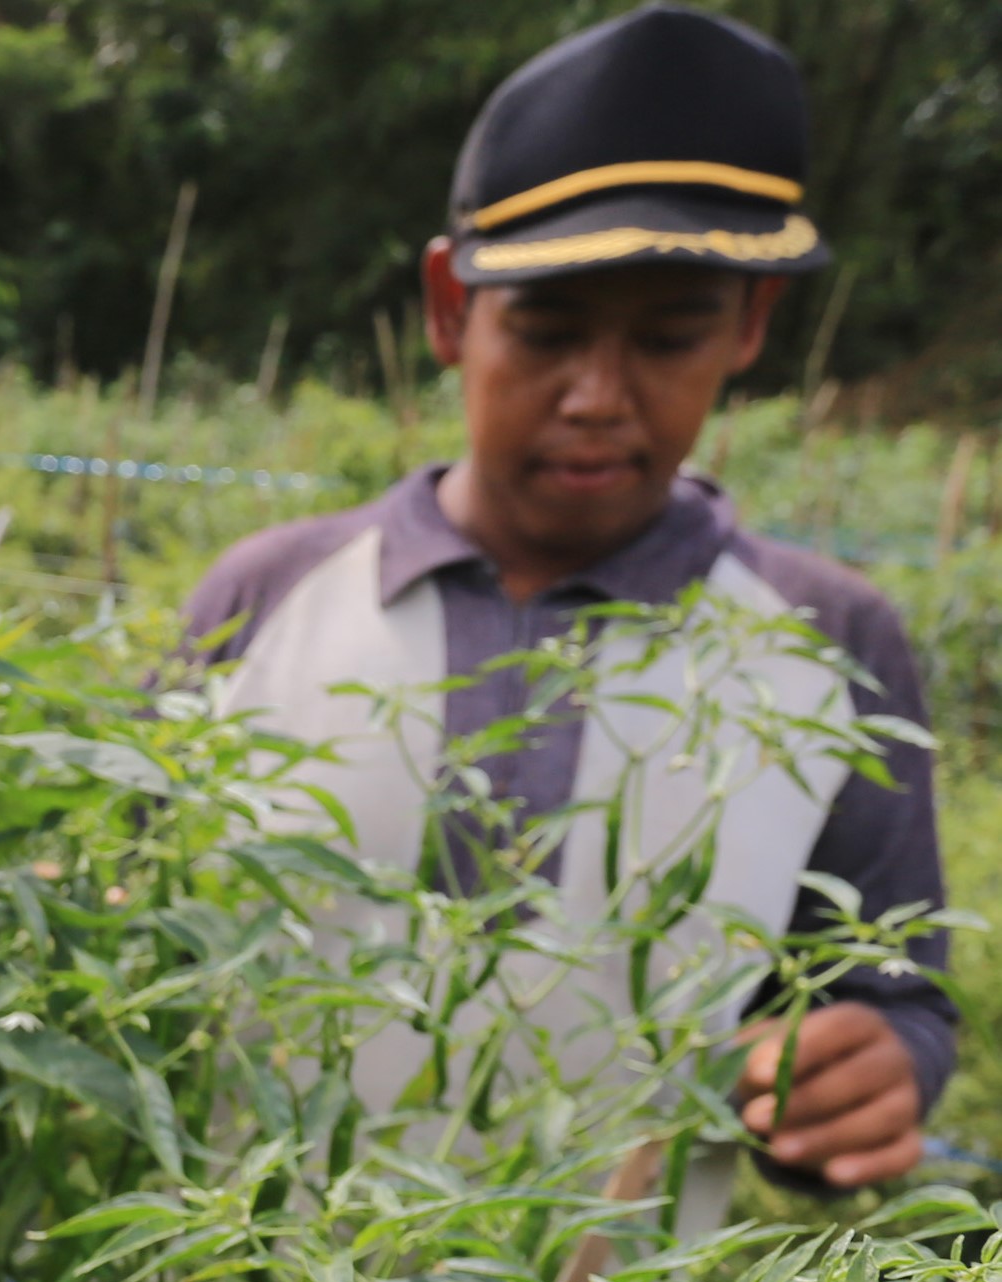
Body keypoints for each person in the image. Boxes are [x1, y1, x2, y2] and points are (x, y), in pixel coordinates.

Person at [185, 3, 952, 1194]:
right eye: (544, 332)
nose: (596, 395)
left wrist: (867, 1072)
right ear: (450, 309)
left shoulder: (828, 644)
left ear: (749, 325)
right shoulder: (265, 600)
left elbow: (887, 993)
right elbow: (129, 922)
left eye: (666, 340)